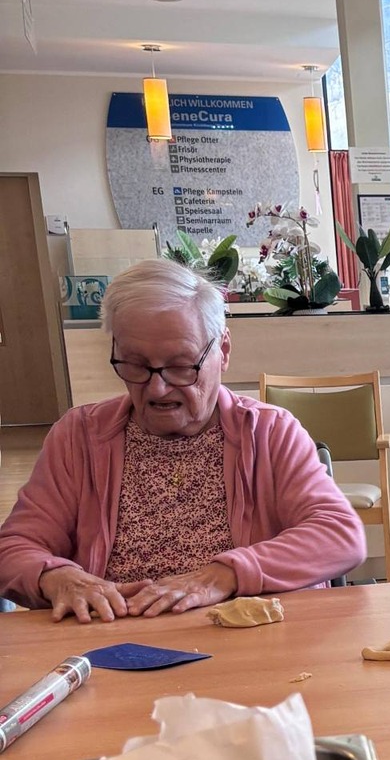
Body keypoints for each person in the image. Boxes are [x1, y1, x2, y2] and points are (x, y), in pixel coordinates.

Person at [0, 258, 367, 621]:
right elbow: (14, 548)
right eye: (136, 365)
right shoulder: (78, 436)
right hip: (111, 641)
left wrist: (225, 575)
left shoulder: (270, 432)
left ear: (223, 351)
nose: (157, 388)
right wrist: (57, 577)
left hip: (248, 639)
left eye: (180, 366)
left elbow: (338, 535)